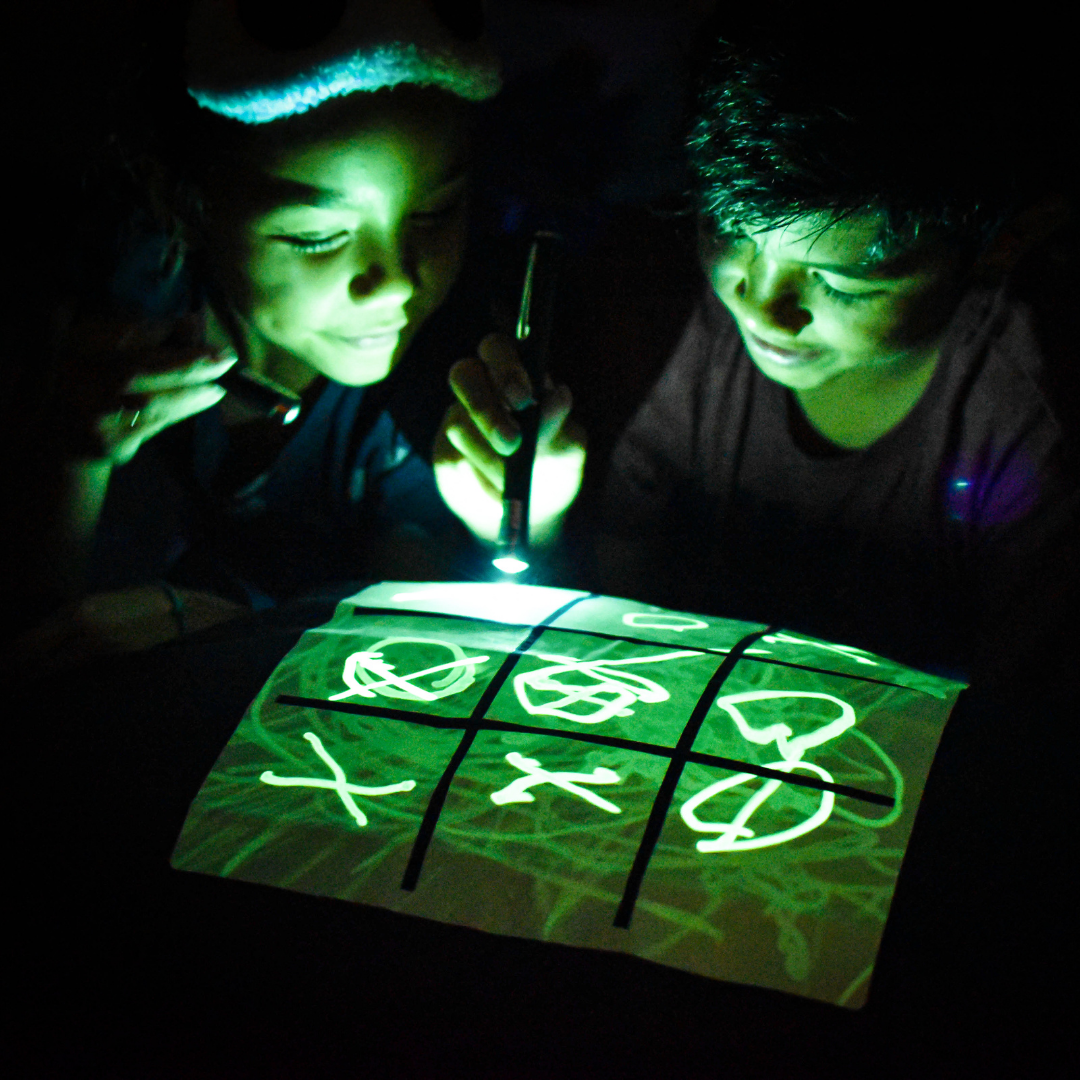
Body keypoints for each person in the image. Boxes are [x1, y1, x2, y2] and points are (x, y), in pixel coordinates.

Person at [8, 0, 584, 668]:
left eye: (435, 213)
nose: (397, 282)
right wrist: (69, 461)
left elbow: (425, 650)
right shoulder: (89, 326)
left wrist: (526, 522)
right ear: (184, 203)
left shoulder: (439, 385)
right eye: (317, 237)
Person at [582, 19, 1079, 698]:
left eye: (842, 285)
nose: (762, 305)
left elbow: (1017, 708)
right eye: (727, 231)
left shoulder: (1026, 425)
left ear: (996, 247)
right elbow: (620, 587)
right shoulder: (671, 326)